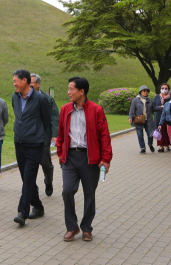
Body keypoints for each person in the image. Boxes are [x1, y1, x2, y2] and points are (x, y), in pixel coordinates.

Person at [56, 77, 112, 242]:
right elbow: (60, 133)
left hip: (90, 158)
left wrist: (106, 158)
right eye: (68, 88)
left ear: (81, 91)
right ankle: (72, 227)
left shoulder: (96, 110)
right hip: (70, 157)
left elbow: (104, 136)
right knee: (67, 191)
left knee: (89, 193)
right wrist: (60, 152)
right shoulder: (65, 109)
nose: (68, 92)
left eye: (71, 89)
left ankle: (87, 228)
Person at [11, 69, 50, 226]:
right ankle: (38, 207)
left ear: (25, 81)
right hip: (19, 142)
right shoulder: (15, 97)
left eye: (16, 81)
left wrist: (43, 141)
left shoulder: (41, 99)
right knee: (26, 178)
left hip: (35, 144)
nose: (14, 84)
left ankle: (22, 212)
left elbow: (46, 122)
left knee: (28, 178)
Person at [31, 73, 59, 196]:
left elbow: (54, 117)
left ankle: (49, 181)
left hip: (44, 137)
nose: (29, 85)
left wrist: (55, 134)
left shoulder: (48, 99)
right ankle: (31, 189)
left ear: (38, 84)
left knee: (46, 164)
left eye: (32, 82)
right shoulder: (23, 98)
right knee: (30, 166)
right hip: (29, 138)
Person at [128, 85, 155, 153]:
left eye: (147, 91)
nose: (146, 93)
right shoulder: (136, 100)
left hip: (148, 120)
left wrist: (161, 107)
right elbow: (132, 109)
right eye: (144, 91)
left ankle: (150, 144)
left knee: (150, 134)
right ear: (141, 92)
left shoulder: (150, 100)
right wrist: (130, 117)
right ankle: (142, 148)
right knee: (140, 135)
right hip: (139, 120)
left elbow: (153, 109)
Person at [153, 83, 171, 153]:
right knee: (159, 131)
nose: (164, 90)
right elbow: (153, 107)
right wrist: (160, 107)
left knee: (167, 131)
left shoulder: (170, 97)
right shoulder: (157, 97)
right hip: (158, 116)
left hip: (167, 117)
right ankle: (161, 146)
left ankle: (167, 144)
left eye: (166, 88)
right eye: (162, 88)